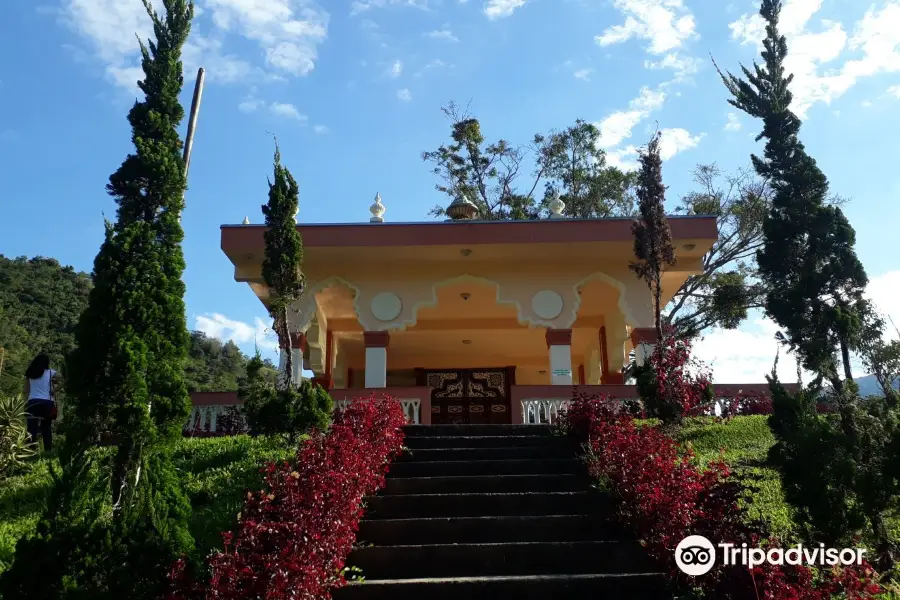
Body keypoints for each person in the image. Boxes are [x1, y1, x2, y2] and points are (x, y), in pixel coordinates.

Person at [23, 353, 56, 451]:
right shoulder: (51, 373)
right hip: (47, 403)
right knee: (46, 428)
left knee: (31, 429)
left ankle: (30, 451)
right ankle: (48, 451)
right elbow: (64, 380)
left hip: (32, 402)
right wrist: (55, 390)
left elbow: (26, 391)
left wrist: (24, 404)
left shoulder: (29, 373)